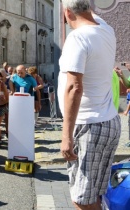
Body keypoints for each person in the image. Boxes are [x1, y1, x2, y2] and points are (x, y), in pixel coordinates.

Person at [58, 1, 120, 209]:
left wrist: (66, 136)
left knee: (82, 198)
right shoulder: (106, 30)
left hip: (88, 126)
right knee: (97, 192)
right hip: (108, 121)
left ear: (67, 12)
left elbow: (74, 88)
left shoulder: (78, 37)